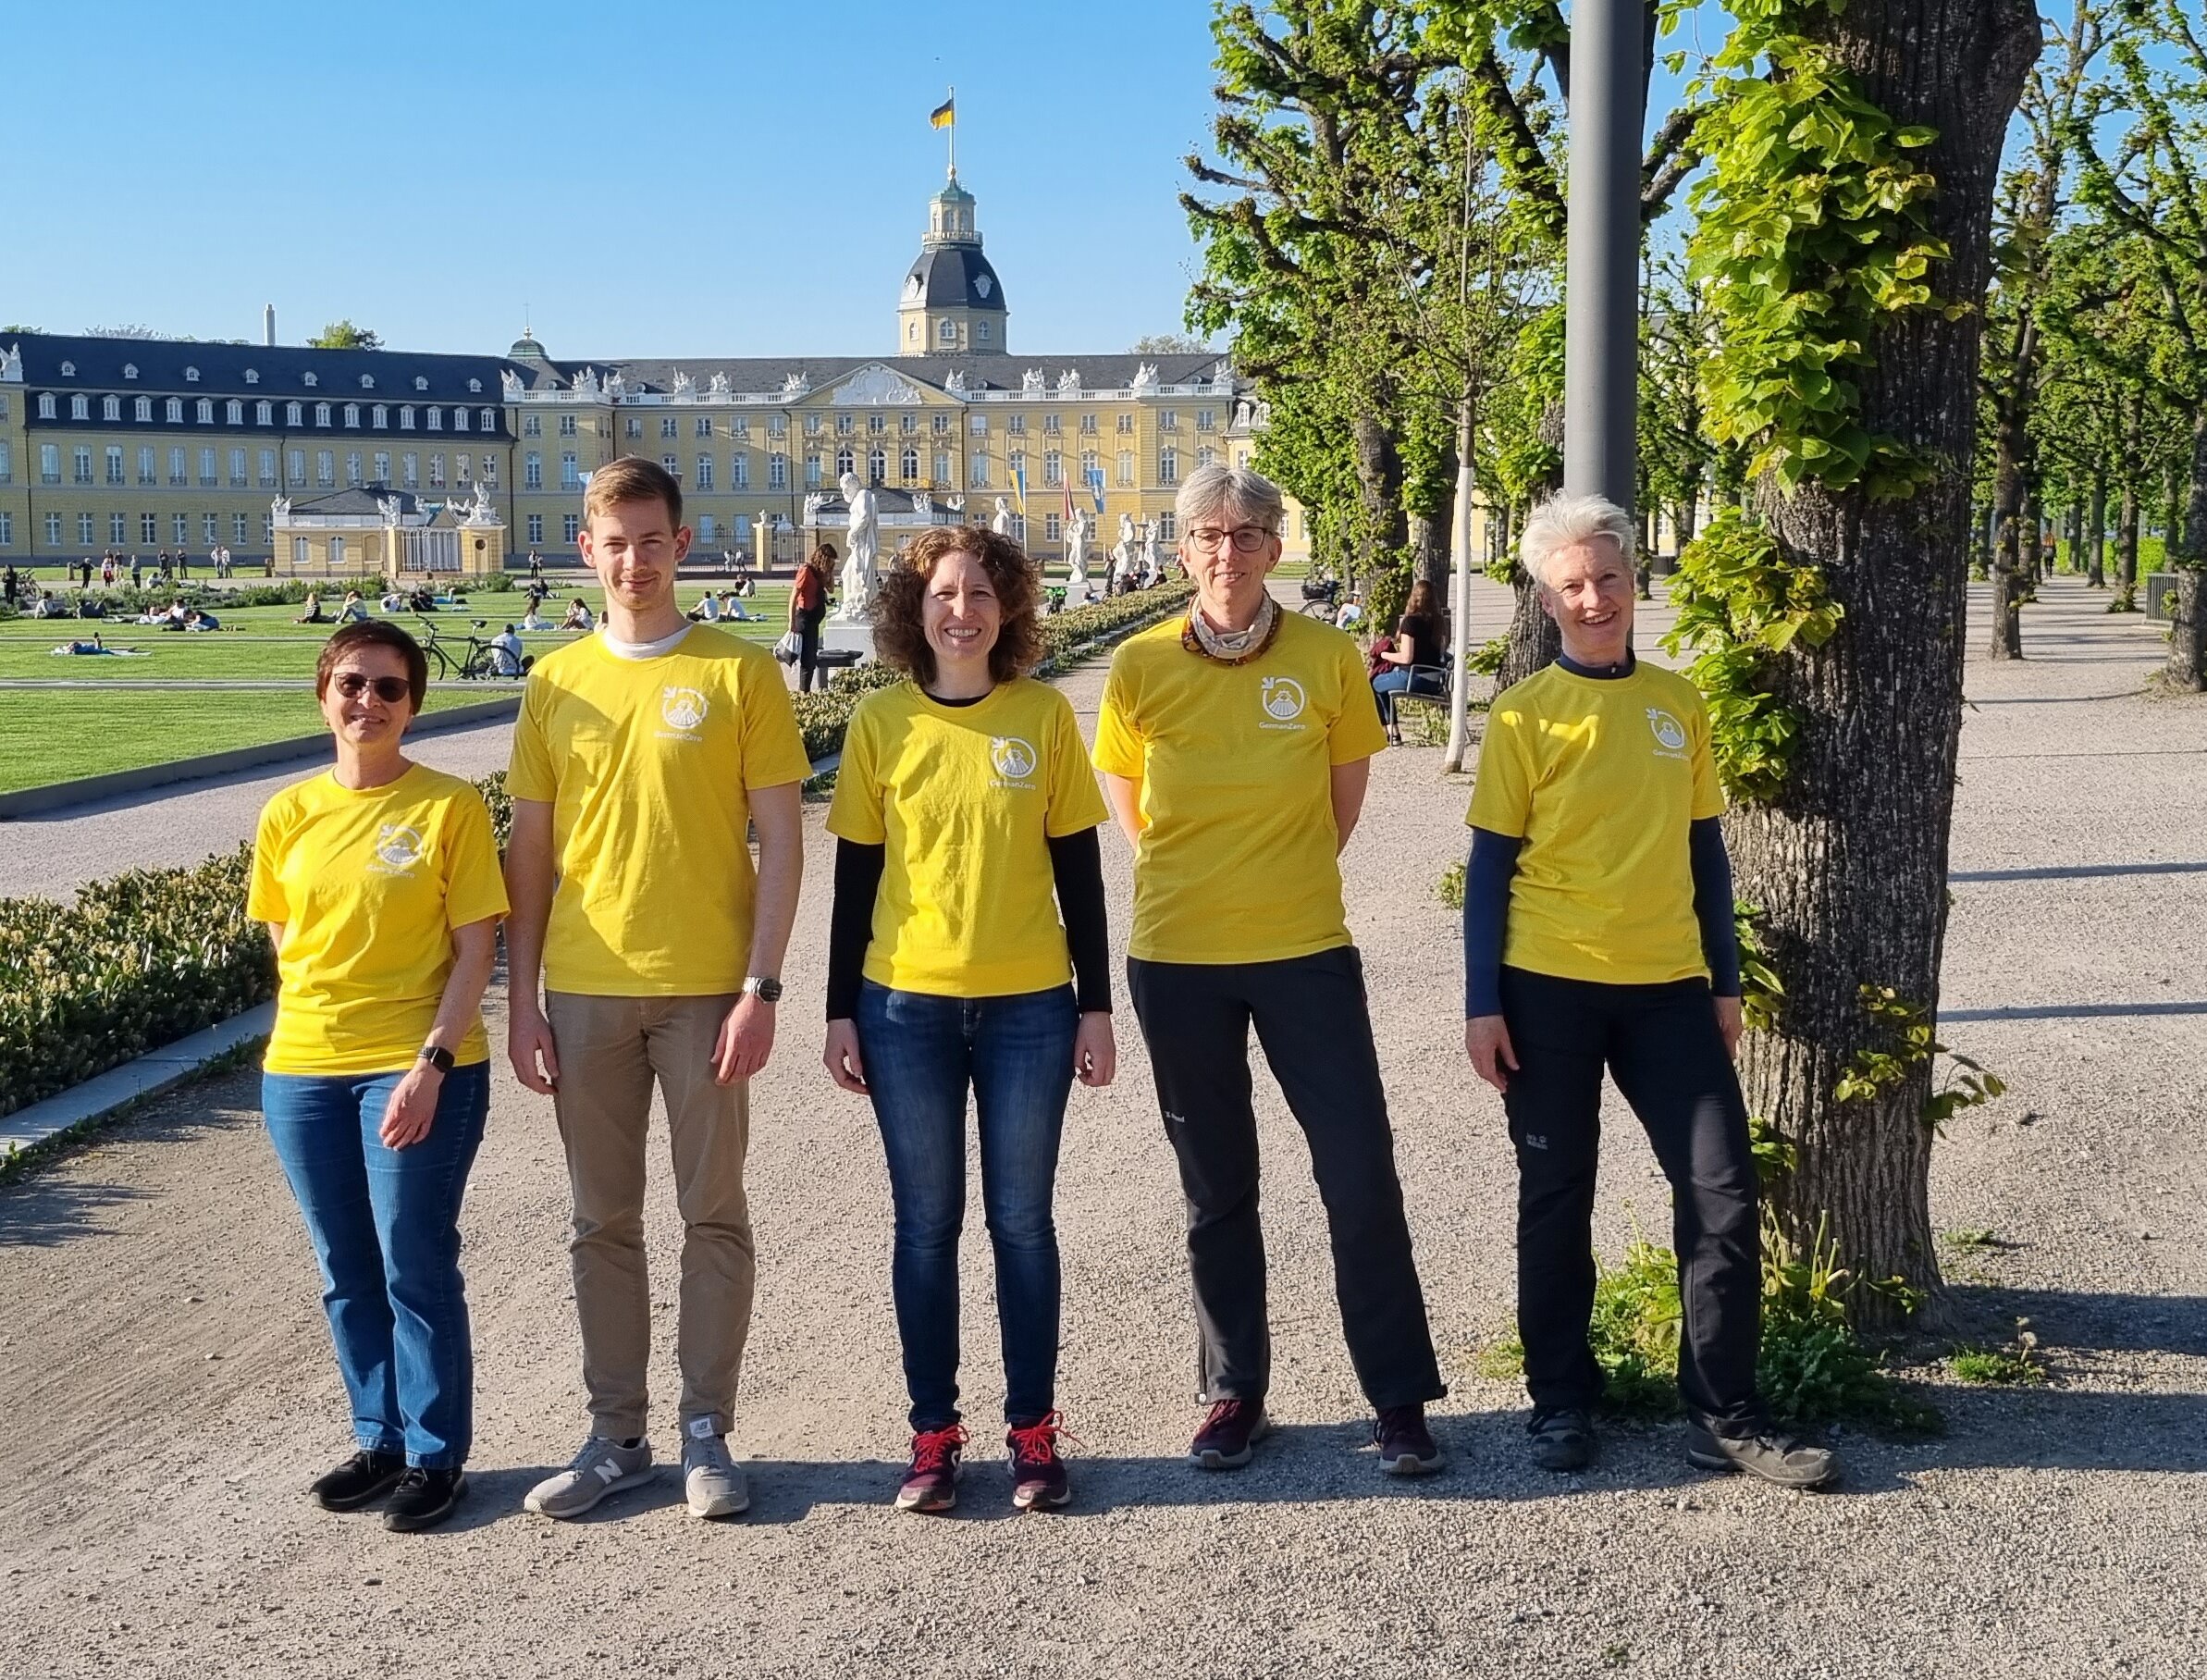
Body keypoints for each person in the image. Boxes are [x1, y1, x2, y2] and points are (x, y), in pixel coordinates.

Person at [1461, 493, 1837, 1491]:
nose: (1594, 598)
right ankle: (1559, 1400)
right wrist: (1479, 1002)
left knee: (1721, 1191)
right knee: (1555, 1199)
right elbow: (1491, 869)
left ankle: (1723, 1408)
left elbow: (1703, 851)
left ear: (1636, 580)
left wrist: (1722, 978)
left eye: (1609, 577)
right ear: (1548, 598)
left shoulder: (1678, 701)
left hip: (1670, 988)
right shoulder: (1523, 713)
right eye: (1572, 584)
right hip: (1547, 989)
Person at [1091, 463, 1447, 1478]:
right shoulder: (1140, 664)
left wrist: (1279, 873)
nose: (1228, 551)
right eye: (1209, 532)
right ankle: (1233, 1392)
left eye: (1249, 533)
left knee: (1358, 1174)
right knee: (1216, 1191)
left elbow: (1343, 796)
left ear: (1274, 545)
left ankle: (1397, 1397)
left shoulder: (1330, 658)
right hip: (1177, 954)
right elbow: (1124, 785)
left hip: (1303, 950)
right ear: (1182, 545)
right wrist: (1183, 865)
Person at [505, 457, 811, 1524]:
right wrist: (522, 1000)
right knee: (601, 1222)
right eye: (613, 541)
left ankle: (705, 1428)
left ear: (682, 547)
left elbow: (781, 840)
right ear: (583, 551)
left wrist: (762, 985)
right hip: (585, 989)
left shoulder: (739, 673)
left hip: (704, 990)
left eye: (650, 539)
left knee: (711, 1213)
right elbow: (531, 853)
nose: (633, 559)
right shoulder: (555, 682)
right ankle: (615, 1433)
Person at [822, 526, 1115, 1515]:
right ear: (916, 610)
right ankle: (932, 1435)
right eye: (944, 593)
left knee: (1022, 1223)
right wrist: (836, 1011)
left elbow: (1079, 870)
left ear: (1009, 608)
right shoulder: (880, 723)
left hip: (1030, 1003)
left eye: (982, 593)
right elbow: (854, 878)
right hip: (902, 1002)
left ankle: (1032, 1431)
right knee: (926, 1226)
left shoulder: (1038, 716)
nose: (962, 609)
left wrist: (1095, 1003)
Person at [249, 619, 509, 1533]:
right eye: (353, 683)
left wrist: (430, 1061)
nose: (369, 702)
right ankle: (381, 1437)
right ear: (324, 692)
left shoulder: (448, 807)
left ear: (413, 707)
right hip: (304, 1071)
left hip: (418, 1068)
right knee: (344, 1264)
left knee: (414, 1260)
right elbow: (286, 932)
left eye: (390, 688)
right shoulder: (288, 811)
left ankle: (436, 1455)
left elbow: (479, 947)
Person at [1370, 578, 1449, 739]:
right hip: (1435, 679)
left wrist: (1383, 655)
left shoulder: (1411, 622)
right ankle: (1391, 732)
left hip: (1414, 678)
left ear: (1413, 598)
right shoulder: (1439, 621)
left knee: (1374, 681)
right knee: (1382, 680)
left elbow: (1407, 657)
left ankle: (1391, 731)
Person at [790, 541, 833, 692]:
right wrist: (792, 621)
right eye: (830, 561)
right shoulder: (806, 571)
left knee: (811, 656)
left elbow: (832, 589)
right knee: (806, 656)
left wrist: (830, 573)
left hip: (814, 620)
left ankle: (805, 689)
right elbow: (794, 596)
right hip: (804, 617)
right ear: (823, 558)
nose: (831, 564)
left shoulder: (820, 573)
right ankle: (804, 691)